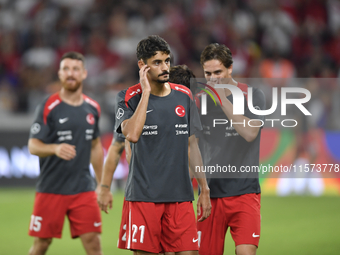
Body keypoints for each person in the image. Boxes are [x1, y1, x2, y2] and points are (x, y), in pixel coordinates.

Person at [113, 35, 211, 254]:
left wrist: (204, 188)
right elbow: (133, 134)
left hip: (180, 197)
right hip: (143, 198)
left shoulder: (184, 95)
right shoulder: (127, 96)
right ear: (142, 65)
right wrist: (146, 92)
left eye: (167, 61)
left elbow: (191, 145)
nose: (165, 67)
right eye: (157, 62)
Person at [27, 52, 104, 255]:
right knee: (42, 244)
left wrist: (102, 185)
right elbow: (33, 146)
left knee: (93, 243)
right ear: (59, 74)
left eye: (76, 69)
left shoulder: (93, 108)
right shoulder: (48, 107)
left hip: (83, 188)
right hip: (51, 188)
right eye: (66, 69)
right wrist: (54, 148)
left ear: (84, 73)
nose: (71, 74)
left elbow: (95, 146)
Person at [196, 43, 266, 255]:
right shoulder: (198, 101)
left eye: (218, 72)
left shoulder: (253, 96)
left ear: (230, 69)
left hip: (244, 192)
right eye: (208, 74)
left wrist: (222, 99)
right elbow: (192, 145)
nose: (213, 78)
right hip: (210, 194)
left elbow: (249, 133)